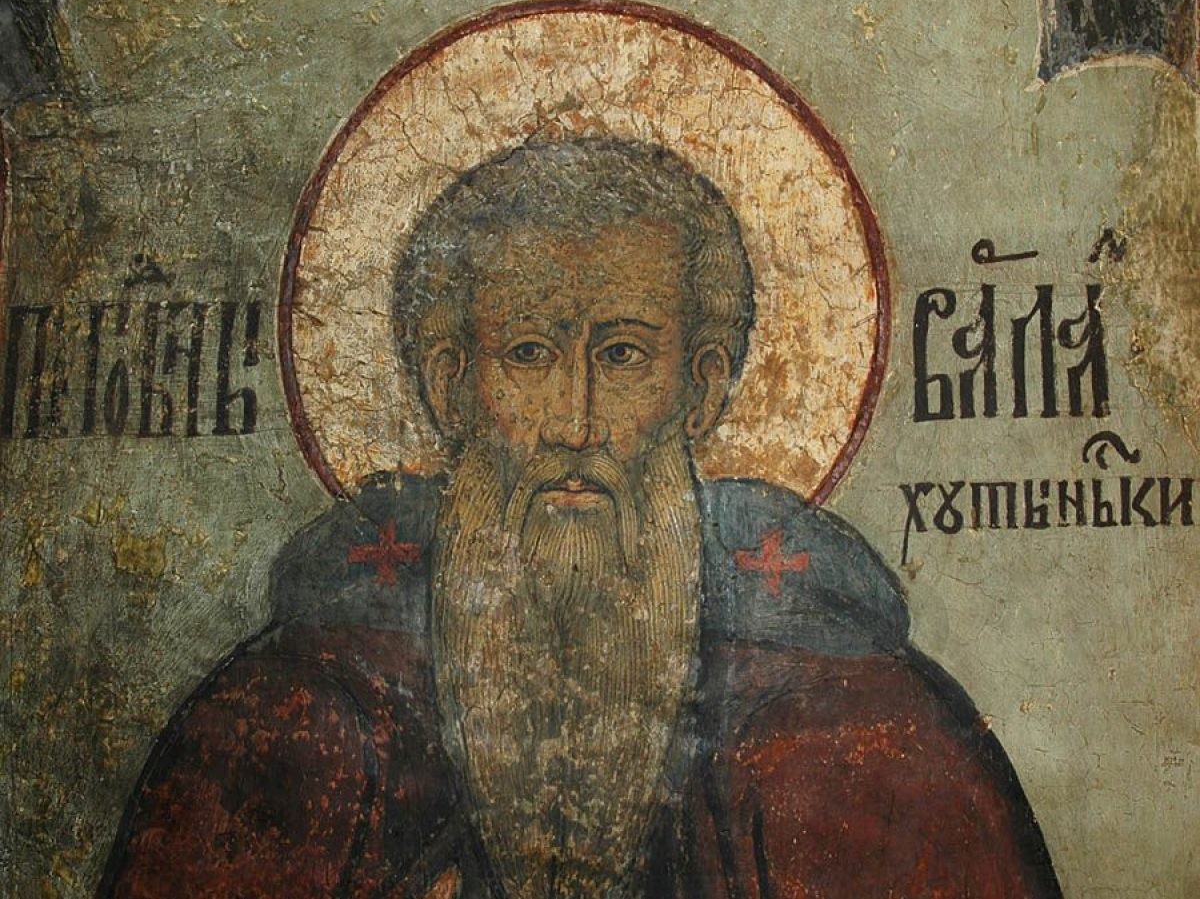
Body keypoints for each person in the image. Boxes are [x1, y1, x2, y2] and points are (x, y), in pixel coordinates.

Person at [98, 138, 1062, 899]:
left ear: (701, 388)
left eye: (622, 355)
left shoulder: (851, 718)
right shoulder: (300, 710)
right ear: (451, 386)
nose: (575, 421)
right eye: (527, 353)